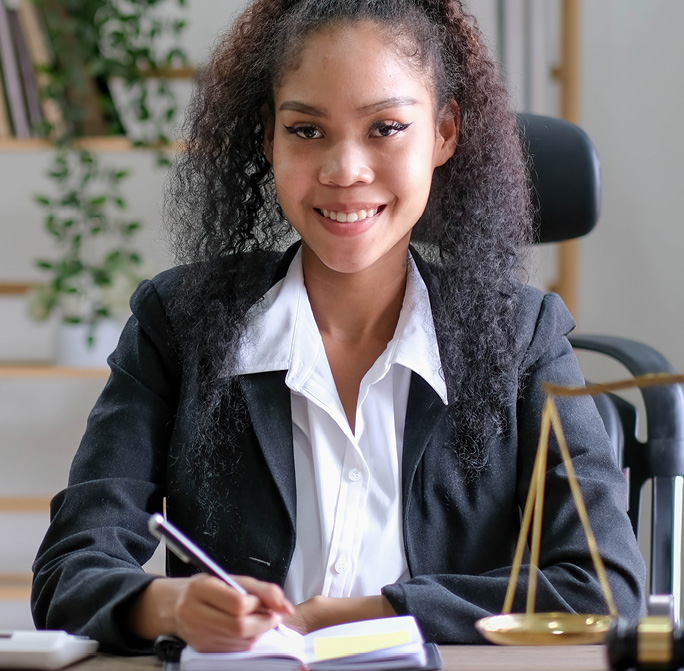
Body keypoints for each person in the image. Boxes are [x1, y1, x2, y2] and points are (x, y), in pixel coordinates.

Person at [32, 0, 646, 656]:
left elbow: (603, 589)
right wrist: (170, 604)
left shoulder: (522, 335)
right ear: (269, 135)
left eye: (385, 126)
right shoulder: (177, 323)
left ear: (443, 132)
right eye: (306, 131)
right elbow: (70, 570)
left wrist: (370, 612)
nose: (344, 169)